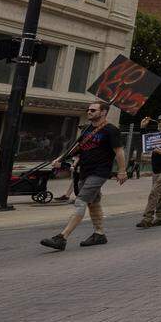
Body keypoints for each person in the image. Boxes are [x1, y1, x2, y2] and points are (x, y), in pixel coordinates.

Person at [40, 101, 126, 250]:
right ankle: (99, 234)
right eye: (88, 110)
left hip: (99, 172)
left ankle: (62, 238)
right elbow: (76, 148)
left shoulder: (111, 130)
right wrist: (60, 159)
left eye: (93, 110)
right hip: (85, 170)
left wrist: (122, 170)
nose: (89, 112)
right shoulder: (87, 129)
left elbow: (119, 151)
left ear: (104, 112)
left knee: (81, 201)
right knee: (94, 202)